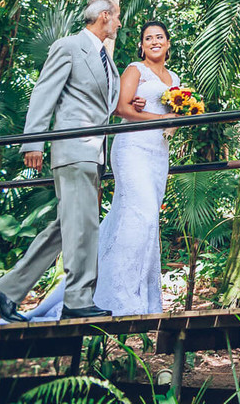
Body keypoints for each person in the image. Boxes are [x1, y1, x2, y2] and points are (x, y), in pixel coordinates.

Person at [0, 0, 123, 321]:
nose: (119, 23)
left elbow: (102, 104)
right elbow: (44, 91)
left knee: (67, 227)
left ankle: (7, 289)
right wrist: (33, 142)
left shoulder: (105, 56)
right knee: (84, 227)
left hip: (92, 152)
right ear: (104, 16)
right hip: (74, 150)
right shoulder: (69, 47)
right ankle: (77, 299)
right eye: (116, 17)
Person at [93, 20, 179, 316]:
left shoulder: (174, 77)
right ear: (141, 45)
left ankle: (143, 297)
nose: (154, 41)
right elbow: (121, 108)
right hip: (132, 149)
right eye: (148, 38)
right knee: (140, 217)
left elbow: (175, 118)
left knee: (142, 220)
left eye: (160, 37)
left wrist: (178, 118)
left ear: (168, 43)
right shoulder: (135, 69)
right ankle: (119, 297)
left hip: (158, 154)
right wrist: (159, 120)